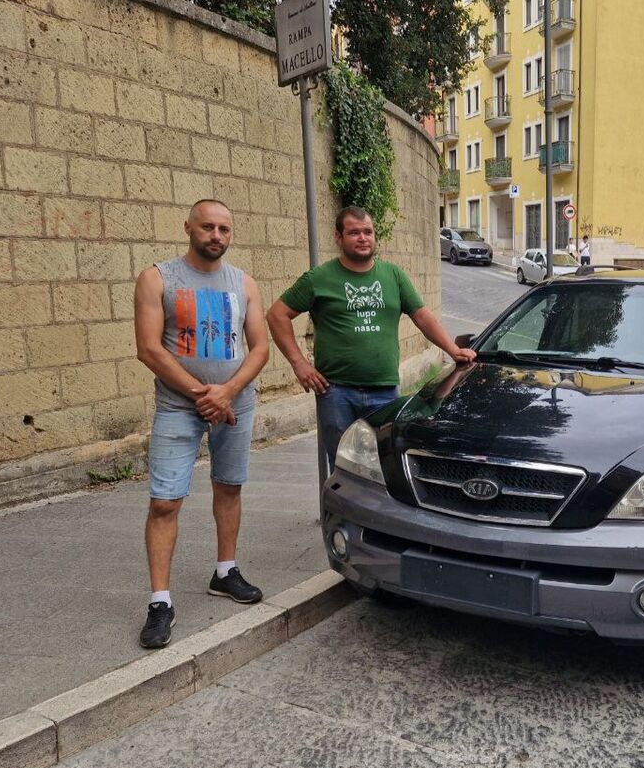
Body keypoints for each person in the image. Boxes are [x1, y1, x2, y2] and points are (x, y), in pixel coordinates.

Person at [134, 199, 270, 649]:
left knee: (229, 486)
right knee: (164, 503)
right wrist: (204, 395)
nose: (217, 236)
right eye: (208, 227)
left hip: (236, 403)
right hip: (178, 407)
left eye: (225, 229)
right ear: (188, 227)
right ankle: (160, 602)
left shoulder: (244, 283)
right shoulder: (158, 278)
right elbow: (150, 350)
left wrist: (227, 393)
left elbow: (259, 349)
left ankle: (225, 571)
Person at [267, 206, 477, 468]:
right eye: (354, 232)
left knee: (385, 466)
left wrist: (451, 349)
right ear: (338, 237)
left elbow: (422, 315)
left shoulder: (393, 276)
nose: (363, 238)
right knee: (344, 467)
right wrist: (299, 364)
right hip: (335, 392)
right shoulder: (319, 278)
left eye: (368, 231)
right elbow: (277, 315)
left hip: (385, 391)